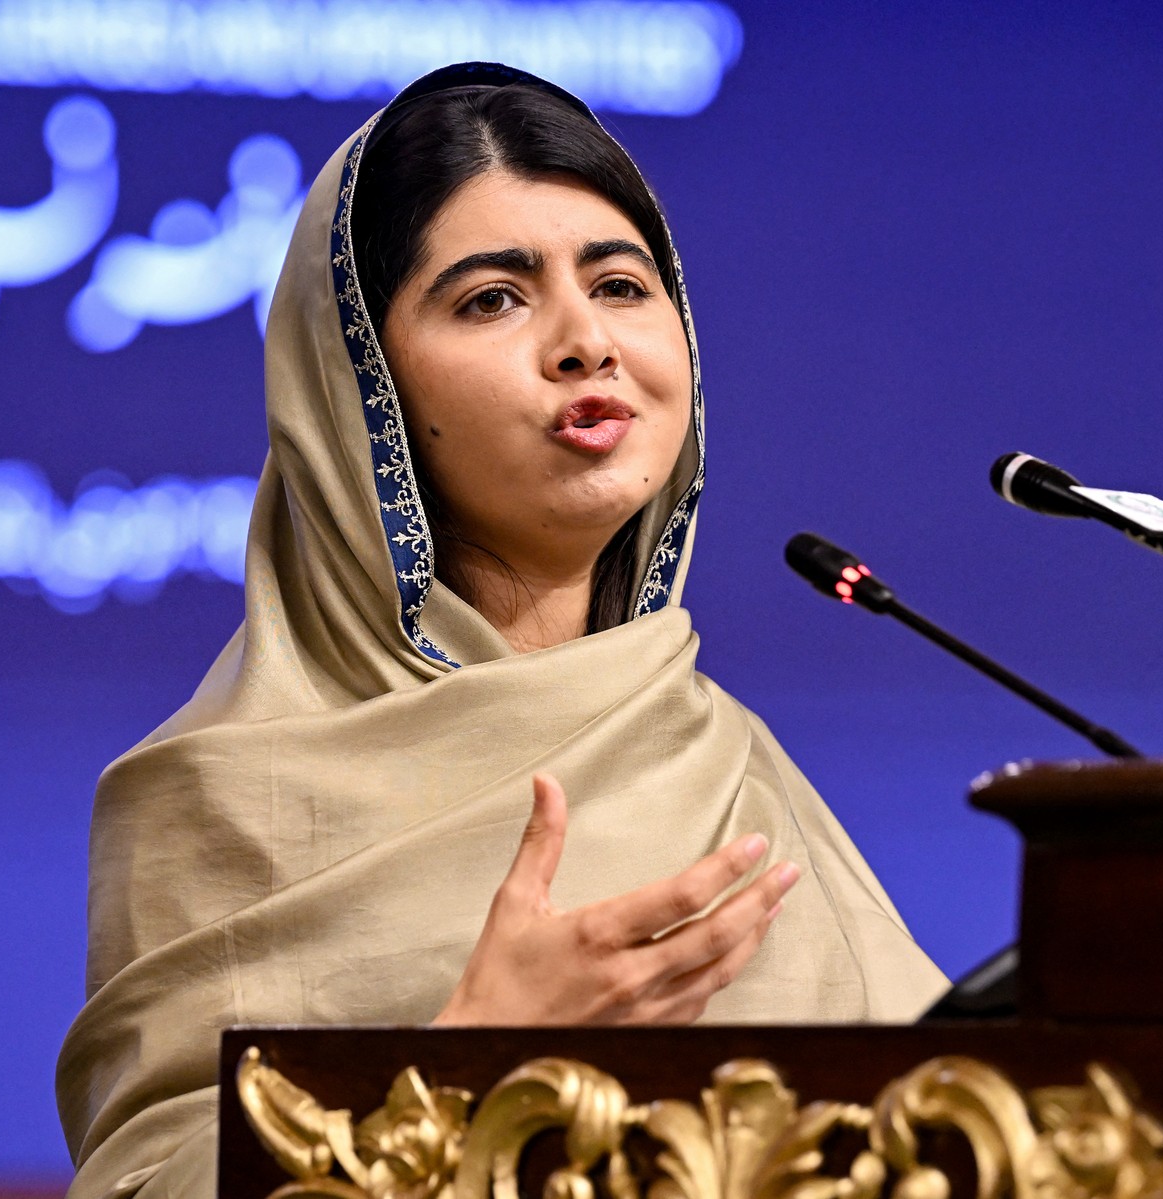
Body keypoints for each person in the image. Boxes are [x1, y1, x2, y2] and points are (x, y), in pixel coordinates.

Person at [56, 62, 948, 1199]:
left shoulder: (732, 766)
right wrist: (475, 1045)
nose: (585, 340)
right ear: (362, 390)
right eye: (493, 298)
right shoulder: (218, 797)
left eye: (623, 285)